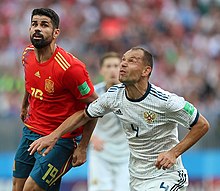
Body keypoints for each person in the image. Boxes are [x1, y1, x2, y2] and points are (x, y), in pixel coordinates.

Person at [29, 47, 210, 191]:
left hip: (166, 176)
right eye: (123, 60)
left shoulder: (166, 101)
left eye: (131, 61)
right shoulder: (112, 96)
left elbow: (202, 125)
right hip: (137, 177)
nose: (122, 64)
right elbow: (85, 115)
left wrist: (173, 153)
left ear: (146, 70)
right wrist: (55, 135)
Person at [12, 8, 98, 191]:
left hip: (62, 139)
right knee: (17, 187)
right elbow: (31, 81)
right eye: (34, 24)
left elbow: (94, 105)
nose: (37, 29)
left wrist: (83, 146)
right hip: (31, 132)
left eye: (44, 25)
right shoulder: (27, 54)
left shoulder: (71, 68)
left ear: (56, 32)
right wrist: (24, 105)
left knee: (31, 188)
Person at [88, 52, 129, 191]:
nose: (113, 69)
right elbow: (78, 118)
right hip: (101, 152)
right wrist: (92, 138)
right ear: (101, 70)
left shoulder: (133, 93)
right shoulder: (93, 94)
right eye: (108, 66)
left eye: (116, 66)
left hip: (126, 154)